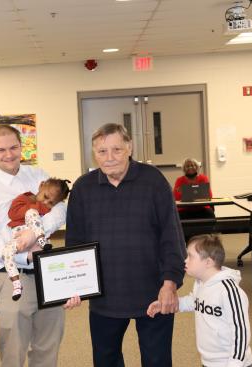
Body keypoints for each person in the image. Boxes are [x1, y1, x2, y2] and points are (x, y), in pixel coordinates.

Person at [65, 123, 185, 367]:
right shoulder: (82, 188)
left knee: (157, 360)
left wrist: (170, 283)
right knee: (106, 360)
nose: (109, 158)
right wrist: (73, 284)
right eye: (102, 152)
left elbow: (171, 235)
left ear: (129, 147)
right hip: (105, 297)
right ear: (94, 154)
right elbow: (75, 243)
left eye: (117, 150)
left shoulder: (153, 181)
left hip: (153, 293)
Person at [0, 124, 68, 367]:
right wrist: (23, 255)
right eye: (1, 149)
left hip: (47, 272)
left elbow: (60, 209)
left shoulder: (37, 175)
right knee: (13, 352)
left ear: (21, 146)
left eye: (14, 147)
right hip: (12, 275)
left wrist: (32, 234)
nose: (9, 154)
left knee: (48, 346)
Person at [147, 234, 252, 367]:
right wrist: (168, 304)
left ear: (208, 262)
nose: (185, 260)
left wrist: (234, 364)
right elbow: (194, 301)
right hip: (209, 361)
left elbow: (241, 331)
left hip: (232, 363)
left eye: (190, 256)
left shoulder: (228, 291)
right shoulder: (201, 283)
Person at [4, 178, 71, 301]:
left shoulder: (48, 208)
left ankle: (41, 239)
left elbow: (58, 216)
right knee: (7, 253)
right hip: (19, 237)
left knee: (32, 213)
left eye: (51, 203)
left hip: (39, 242)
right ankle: (16, 283)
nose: (46, 203)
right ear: (41, 186)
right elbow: (13, 213)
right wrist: (39, 206)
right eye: (45, 196)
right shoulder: (24, 199)